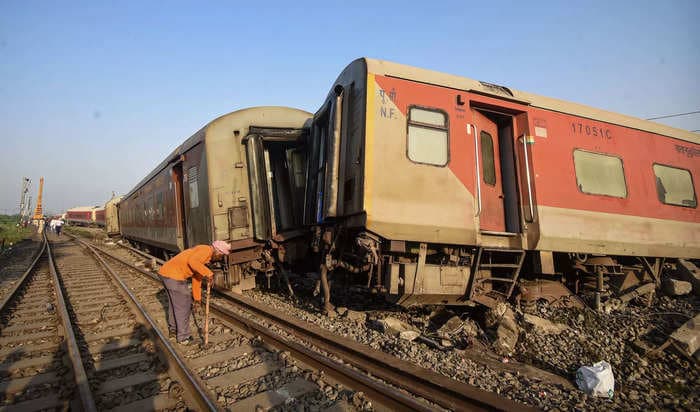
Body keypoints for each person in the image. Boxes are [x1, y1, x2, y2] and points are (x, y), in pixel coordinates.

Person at [158, 240, 231, 344]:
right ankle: (184, 338)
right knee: (183, 304)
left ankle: (173, 330)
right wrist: (208, 273)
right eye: (221, 255)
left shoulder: (205, 258)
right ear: (217, 251)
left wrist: (197, 299)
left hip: (166, 273)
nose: (220, 257)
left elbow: (197, 279)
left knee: (175, 304)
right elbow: (192, 262)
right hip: (173, 276)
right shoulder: (206, 250)